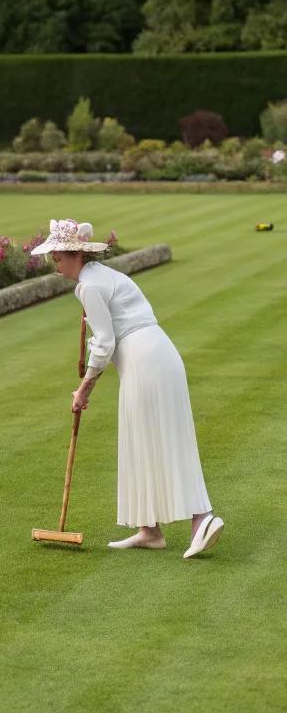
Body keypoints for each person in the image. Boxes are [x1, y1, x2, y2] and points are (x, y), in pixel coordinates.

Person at [32, 218, 223, 558]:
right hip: (157, 355)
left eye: (58, 257)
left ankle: (202, 519)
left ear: (75, 255)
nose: (55, 265)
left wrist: (85, 388)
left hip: (145, 362)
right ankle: (149, 530)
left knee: (165, 438)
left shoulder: (91, 286)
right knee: (142, 439)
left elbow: (105, 344)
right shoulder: (102, 277)